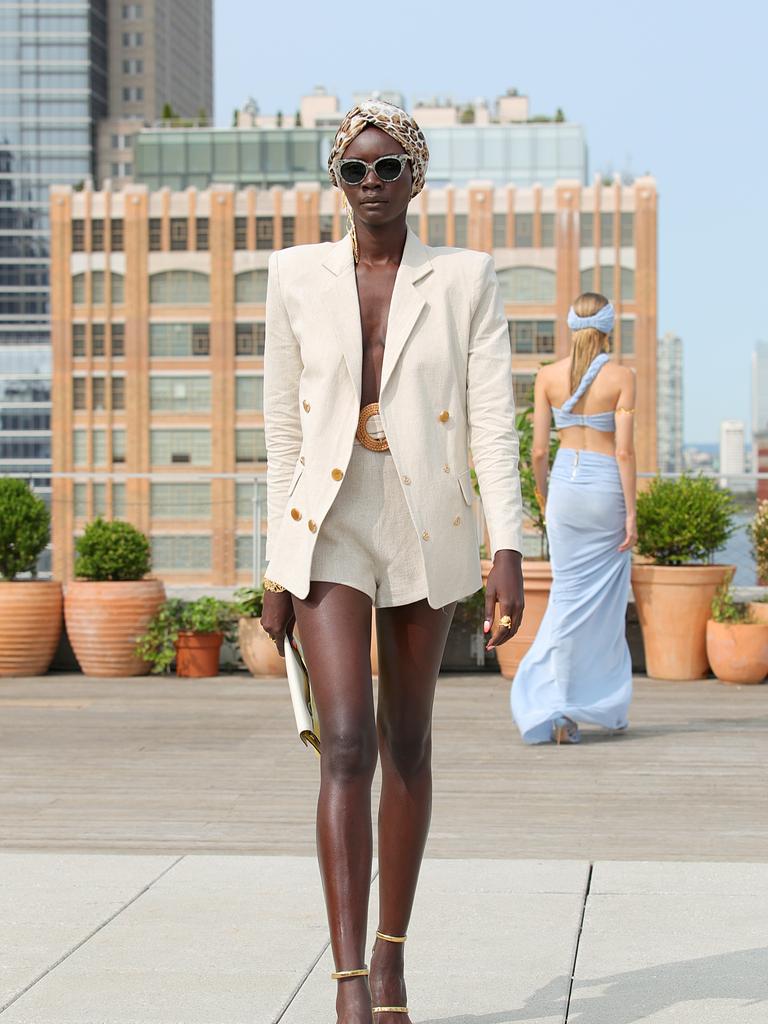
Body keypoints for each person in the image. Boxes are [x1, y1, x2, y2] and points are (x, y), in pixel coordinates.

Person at [258, 99, 525, 1024]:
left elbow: (493, 420)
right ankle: (348, 984)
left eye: (389, 168)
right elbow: (280, 430)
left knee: (406, 743)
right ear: (339, 182)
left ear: (416, 175)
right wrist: (276, 563)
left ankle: (393, 958)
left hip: (424, 519)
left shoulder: (465, 278)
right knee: (345, 744)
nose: (372, 184)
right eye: (356, 170)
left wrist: (507, 548)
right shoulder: (293, 276)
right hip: (329, 522)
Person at [510, 292, 637, 745]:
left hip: (565, 487)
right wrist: (632, 513)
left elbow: (538, 452)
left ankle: (558, 706)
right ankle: (600, 702)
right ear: (609, 328)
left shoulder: (547, 376)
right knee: (603, 609)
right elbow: (623, 451)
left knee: (566, 599)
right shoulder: (622, 377)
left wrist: (545, 499)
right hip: (605, 492)